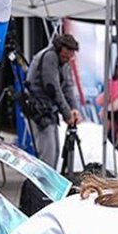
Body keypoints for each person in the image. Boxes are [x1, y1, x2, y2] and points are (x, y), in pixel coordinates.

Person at [25, 33, 82, 167]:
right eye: (64, 56)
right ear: (58, 50)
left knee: (55, 151)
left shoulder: (64, 61)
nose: (67, 59)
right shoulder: (50, 57)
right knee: (48, 153)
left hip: (49, 110)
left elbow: (68, 86)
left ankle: (48, 186)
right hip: (39, 110)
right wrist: (67, 114)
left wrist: (74, 108)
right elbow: (53, 88)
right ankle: (42, 187)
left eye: (69, 56)